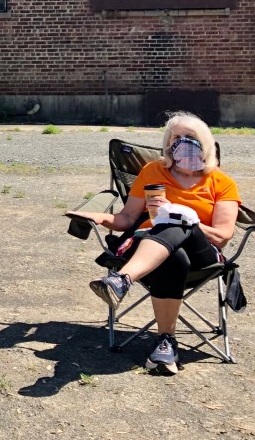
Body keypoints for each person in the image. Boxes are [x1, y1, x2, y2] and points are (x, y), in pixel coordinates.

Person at [70, 113, 241, 374]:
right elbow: (128, 218)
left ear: (205, 142)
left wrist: (182, 216)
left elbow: (222, 236)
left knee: (176, 221)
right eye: (176, 137)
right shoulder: (153, 171)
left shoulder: (221, 182)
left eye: (190, 137)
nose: (182, 142)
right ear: (168, 143)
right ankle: (165, 342)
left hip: (202, 254)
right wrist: (100, 217)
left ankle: (121, 280)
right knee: (174, 257)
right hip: (149, 249)